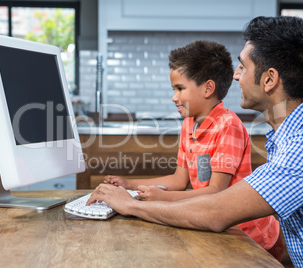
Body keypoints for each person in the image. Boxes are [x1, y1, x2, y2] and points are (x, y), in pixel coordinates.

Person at [88, 16, 303, 267]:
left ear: (269, 79)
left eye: (243, 66)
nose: (236, 76)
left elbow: (216, 212)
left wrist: (131, 204)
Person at [100, 40, 282, 259]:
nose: (174, 97)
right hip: (215, 228)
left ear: (208, 88)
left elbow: (216, 192)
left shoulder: (228, 126)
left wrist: (162, 198)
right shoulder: (189, 123)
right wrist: (129, 184)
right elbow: (179, 180)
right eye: (174, 89)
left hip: (251, 237)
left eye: (180, 89)